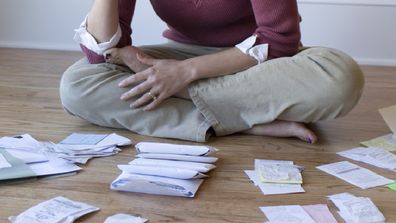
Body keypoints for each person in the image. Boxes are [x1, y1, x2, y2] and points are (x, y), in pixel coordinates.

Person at [60, 0, 364, 143]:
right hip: (180, 55)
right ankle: (245, 120)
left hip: (254, 63)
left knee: (339, 76)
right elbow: (101, 54)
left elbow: (279, 40)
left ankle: (218, 110)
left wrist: (185, 72)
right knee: (78, 84)